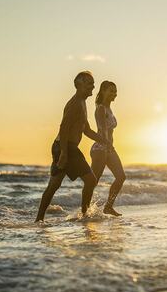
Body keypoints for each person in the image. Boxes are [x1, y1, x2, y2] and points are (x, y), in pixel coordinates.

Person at [35, 71, 109, 221]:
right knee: (90, 180)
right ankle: (84, 214)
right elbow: (64, 128)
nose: (93, 86)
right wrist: (63, 153)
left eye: (93, 83)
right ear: (78, 85)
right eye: (89, 83)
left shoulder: (82, 103)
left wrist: (104, 141)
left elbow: (86, 130)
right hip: (64, 147)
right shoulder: (75, 103)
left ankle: (40, 219)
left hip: (66, 147)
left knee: (54, 185)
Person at [90, 81, 126, 216]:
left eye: (115, 91)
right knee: (93, 181)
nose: (114, 94)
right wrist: (106, 145)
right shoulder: (101, 109)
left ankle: (108, 207)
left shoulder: (109, 109)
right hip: (100, 148)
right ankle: (85, 210)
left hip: (109, 148)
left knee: (121, 176)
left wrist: (110, 146)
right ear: (103, 91)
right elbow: (102, 129)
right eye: (111, 90)